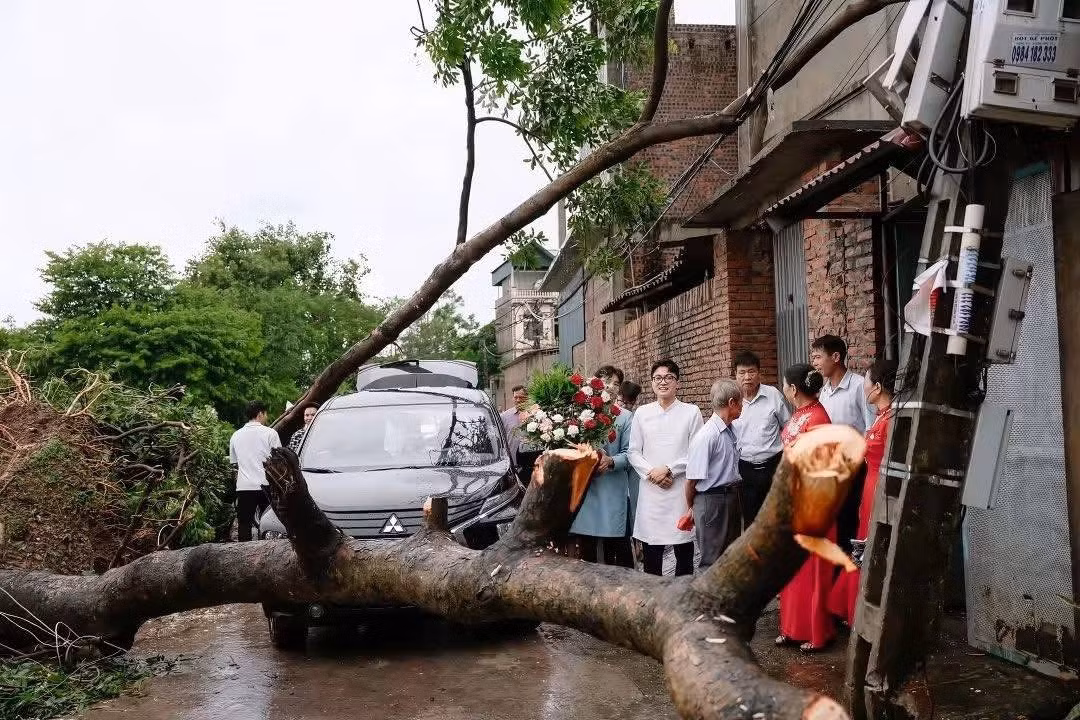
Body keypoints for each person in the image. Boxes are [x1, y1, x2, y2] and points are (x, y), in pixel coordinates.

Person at [828, 358, 898, 626]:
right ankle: (853, 606)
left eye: (867, 381)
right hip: (869, 485)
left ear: (877, 387)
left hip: (879, 485)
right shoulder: (881, 416)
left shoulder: (890, 418)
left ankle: (864, 608)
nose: (864, 386)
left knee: (872, 543)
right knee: (861, 543)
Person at [774, 364, 835, 652]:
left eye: (785, 385)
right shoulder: (799, 415)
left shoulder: (819, 418)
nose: (783, 389)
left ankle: (816, 631)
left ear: (793, 389)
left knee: (812, 570)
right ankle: (791, 627)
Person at [628, 359, 704, 577]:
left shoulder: (691, 412)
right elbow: (633, 451)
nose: (663, 382)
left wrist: (669, 469)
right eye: (658, 378)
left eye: (669, 377)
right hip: (651, 492)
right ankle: (653, 603)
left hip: (680, 489)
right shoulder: (642, 413)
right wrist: (654, 474)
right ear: (652, 383)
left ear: (677, 382)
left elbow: (696, 452)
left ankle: (682, 600)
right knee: (652, 552)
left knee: (683, 548)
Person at [810, 334, 874, 555]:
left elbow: (870, 426)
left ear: (836, 357)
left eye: (818, 357)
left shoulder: (858, 387)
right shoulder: (824, 392)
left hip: (854, 467)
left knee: (849, 520)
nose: (815, 363)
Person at [568, 366, 634, 567]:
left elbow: (631, 452)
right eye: (605, 382)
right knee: (587, 549)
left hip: (613, 489)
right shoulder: (581, 413)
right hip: (587, 490)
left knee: (618, 550)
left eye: (615, 383)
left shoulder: (625, 416)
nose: (610, 387)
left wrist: (612, 461)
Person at [683, 378, 744, 569]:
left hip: (730, 497)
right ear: (732, 403)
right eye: (740, 402)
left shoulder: (729, 430)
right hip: (711, 501)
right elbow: (691, 481)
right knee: (711, 562)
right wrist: (692, 507)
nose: (743, 407)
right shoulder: (707, 436)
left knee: (731, 557)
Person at [730, 350, 790, 524]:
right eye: (742, 372)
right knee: (750, 519)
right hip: (745, 469)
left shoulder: (773, 395)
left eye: (751, 372)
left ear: (759, 373)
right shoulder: (732, 399)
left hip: (773, 465)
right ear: (735, 375)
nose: (747, 377)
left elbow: (787, 426)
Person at [228, 401, 281, 542]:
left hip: (244, 486)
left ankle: (243, 555)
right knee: (272, 524)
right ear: (260, 414)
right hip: (267, 485)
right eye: (265, 414)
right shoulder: (271, 433)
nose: (266, 417)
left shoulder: (235, 435)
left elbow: (234, 463)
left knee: (244, 524)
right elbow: (278, 461)